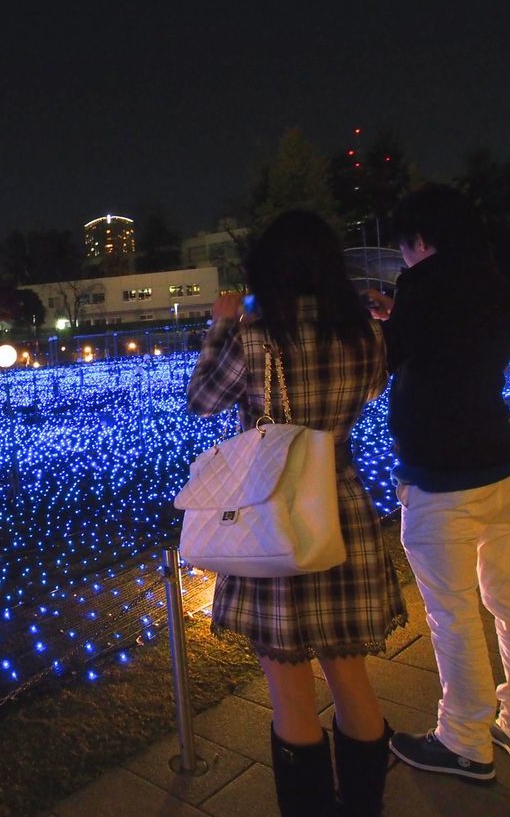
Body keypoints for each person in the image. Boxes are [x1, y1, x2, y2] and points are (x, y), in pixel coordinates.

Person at [188, 210, 407, 817]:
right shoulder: (365, 333)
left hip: (271, 509)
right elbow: (367, 394)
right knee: (350, 678)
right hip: (338, 506)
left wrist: (222, 325)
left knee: (289, 687)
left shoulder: (254, 336)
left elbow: (203, 401)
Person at [368, 184, 510, 781]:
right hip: (503, 464)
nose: (404, 261)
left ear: (420, 240)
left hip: (440, 476)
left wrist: (383, 325)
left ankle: (463, 740)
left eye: (403, 249)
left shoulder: (424, 285)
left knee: (452, 613)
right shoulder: (496, 286)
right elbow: (455, 346)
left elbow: (381, 366)